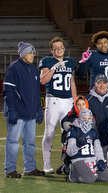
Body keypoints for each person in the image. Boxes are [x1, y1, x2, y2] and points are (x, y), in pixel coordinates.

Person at [4, 42, 45, 178]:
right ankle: (10, 170)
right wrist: (12, 110)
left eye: (33, 53)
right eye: (29, 53)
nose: (32, 55)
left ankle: (30, 168)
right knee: (13, 142)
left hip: (30, 114)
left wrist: (39, 109)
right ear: (22, 54)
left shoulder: (34, 69)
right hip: (18, 112)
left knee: (30, 142)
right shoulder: (14, 67)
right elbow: (8, 90)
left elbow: (37, 92)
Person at [39, 37, 78, 173]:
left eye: (60, 47)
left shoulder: (70, 62)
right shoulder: (47, 61)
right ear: (51, 50)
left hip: (68, 101)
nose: (59, 49)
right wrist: (53, 68)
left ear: (64, 48)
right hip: (53, 100)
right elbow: (43, 80)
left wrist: (75, 102)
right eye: (55, 48)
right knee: (49, 133)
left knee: (67, 133)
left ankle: (67, 164)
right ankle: (46, 164)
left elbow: (72, 83)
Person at [66, 109, 108, 183]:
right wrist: (78, 145)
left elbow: (97, 149)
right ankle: (74, 174)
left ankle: (90, 174)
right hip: (79, 159)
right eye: (84, 118)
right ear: (80, 118)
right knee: (90, 179)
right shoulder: (73, 131)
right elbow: (69, 152)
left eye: (89, 118)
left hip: (92, 160)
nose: (86, 120)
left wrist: (100, 160)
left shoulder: (93, 132)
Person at [85, 74, 108, 169]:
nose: (102, 85)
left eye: (104, 83)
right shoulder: (87, 100)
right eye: (99, 83)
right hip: (94, 133)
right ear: (95, 84)